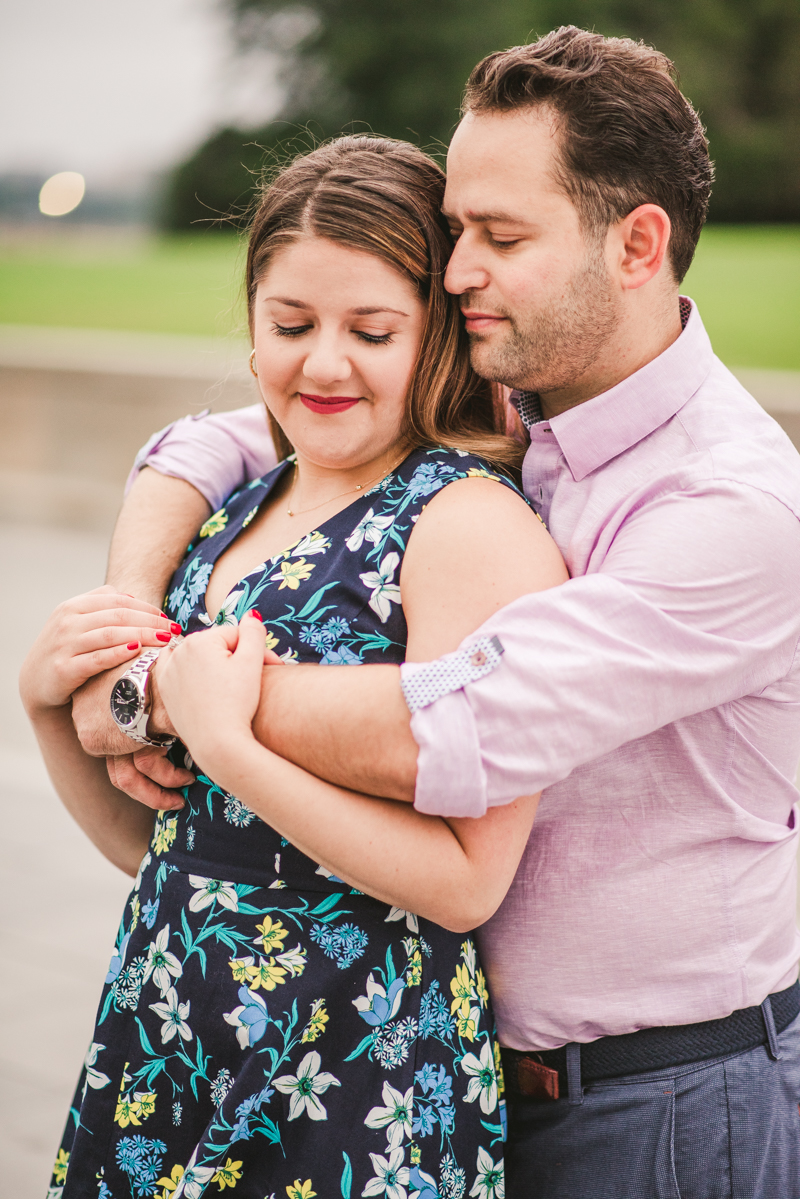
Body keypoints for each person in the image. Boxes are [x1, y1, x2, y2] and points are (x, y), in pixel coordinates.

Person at [70, 24, 800, 1199]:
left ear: (636, 244)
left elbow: (453, 724)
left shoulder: (731, 509)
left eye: (498, 237)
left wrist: (167, 686)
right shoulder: (520, 393)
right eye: (456, 228)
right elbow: (227, 435)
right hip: (443, 1062)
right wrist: (124, 605)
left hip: (655, 1102)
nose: (453, 270)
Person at [22, 136, 569, 1199]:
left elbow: (466, 883)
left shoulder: (465, 526)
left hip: (350, 1059)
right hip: (169, 1016)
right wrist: (46, 703)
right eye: (289, 325)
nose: (322, 363)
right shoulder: (243, 504)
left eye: (371, 330)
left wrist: (228, 736)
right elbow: (165, 845)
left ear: (441, 332)